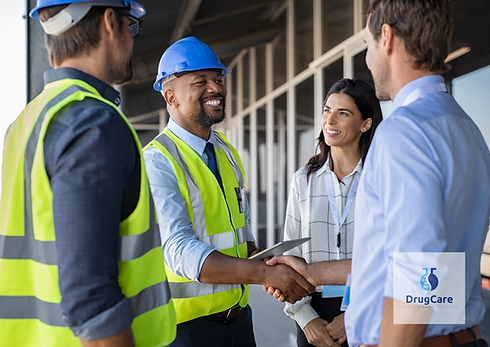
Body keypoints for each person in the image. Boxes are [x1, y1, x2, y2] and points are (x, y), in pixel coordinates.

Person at [269, 1, 490, 347]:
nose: (368, 58)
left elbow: (417, 271)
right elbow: (414, 261)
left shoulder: (404, 132)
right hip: (461, 335)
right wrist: (313, 273)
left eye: (367, 45)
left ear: (385, 38)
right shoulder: (465, 128)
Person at [0, 1, 176, 346]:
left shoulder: (24, 123)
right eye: (131, 26)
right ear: (111, 21)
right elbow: (92, 302)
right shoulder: (93, 124)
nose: (132, 38)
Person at [143, 36, 315, 347]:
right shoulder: (158, 161)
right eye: (200, 81)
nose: (216, 88)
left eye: (218, 79)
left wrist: (264, 263)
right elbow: (179, 251)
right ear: (171, 97)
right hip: (186, 332)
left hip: (239, 321)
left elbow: (240, 228)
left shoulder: (225, 151)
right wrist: (262, 275)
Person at [282, 78, 382, 347]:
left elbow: (388, 255)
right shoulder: (303, 179)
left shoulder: (381, 179)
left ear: (366, 124)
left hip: (369, 310)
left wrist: (355, 316)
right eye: (327, 110)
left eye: (343, 113)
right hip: (314, 313)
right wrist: (305, 319)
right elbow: (291, 254)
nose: (330, 120)